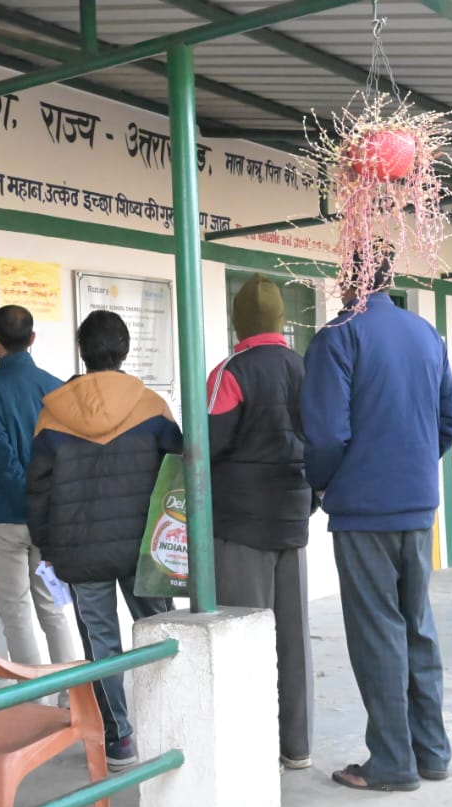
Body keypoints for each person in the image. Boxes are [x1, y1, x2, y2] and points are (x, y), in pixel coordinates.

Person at [301, 250, 452, 792]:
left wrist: (324, 483)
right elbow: (449, 421)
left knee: (377, 632)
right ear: (389, 279)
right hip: (417, 507)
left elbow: (326, 434)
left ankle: (392, 761)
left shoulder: (338, 337)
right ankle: (432, 752)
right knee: (417, 625)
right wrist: (411, 463)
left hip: (363, 511)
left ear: (348, 277)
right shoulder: (426, 335)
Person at [27, 310, 182, 770]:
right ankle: (170, 723)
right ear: (125, 350)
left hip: (80, 551)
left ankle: (120, 739)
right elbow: (177, 479)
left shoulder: (52, 415)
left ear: (83, 352)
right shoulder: (152, 407)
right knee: (159, 633)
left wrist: (48, 549)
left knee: (101, 644)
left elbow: (37, 491)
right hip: (144, 551)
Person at [206, 274, 314, 770]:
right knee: (293, 638)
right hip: (292, 518)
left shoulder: (230, 373)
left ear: (239, 322)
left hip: (241, 528)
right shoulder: (304, 367)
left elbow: (207, 445)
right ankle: (297, 746)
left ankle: (251, 753)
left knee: (245, 637)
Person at [0, 305, 77, 669]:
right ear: (32, 338)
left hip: (3, 514)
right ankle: (70, 691)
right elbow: (66, 455)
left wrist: (25, 498)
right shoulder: (56, 387)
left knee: (15, 613)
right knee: (54, 608)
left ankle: (34, 695)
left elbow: (0, 456)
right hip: (48, 517)